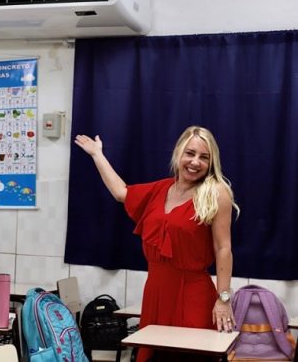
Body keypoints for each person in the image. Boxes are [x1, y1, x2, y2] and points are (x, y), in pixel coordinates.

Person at [75, 126, 239, 362]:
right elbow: (121, 192)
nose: (195, 162)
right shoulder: (161, 189)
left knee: (187, 358)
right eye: (190, 153)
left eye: (204, 157)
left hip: (193, 293)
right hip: (156, 290)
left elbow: (223, 249)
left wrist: (223, 299)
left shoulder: (216, 192)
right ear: (178, 153)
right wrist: (97, 154)